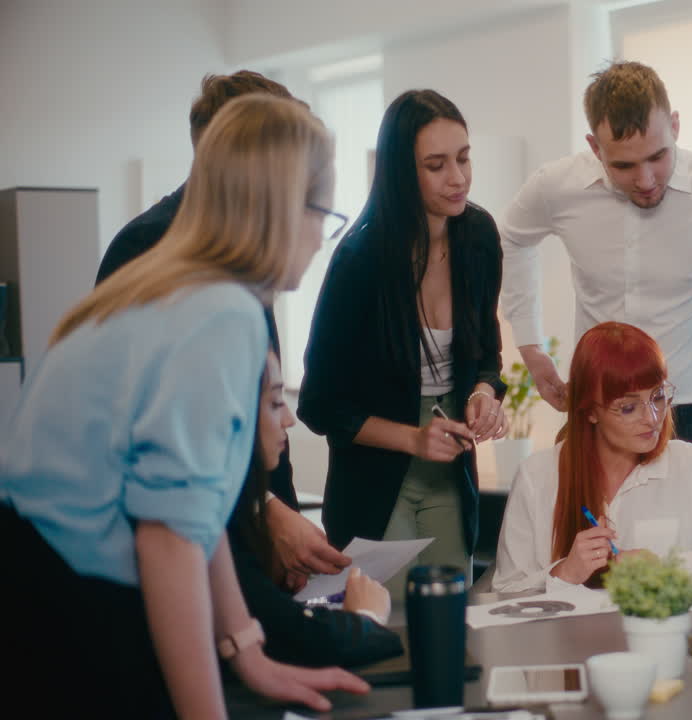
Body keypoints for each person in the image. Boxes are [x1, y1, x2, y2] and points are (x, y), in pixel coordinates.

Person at [1, 95, 368, 716]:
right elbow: (168, 542)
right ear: (285, 208)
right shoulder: (220, 316)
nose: (320, 240)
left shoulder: (164, 290)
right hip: (71, 605)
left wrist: (247, 653)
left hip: (36, 583)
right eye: (324, 215)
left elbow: (198, 519)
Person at [96, 70, 350, 591]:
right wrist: (265, 515)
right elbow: (164, 467)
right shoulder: (156, 250)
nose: (320, 230)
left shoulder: (239, 260)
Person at [500, 60, 692, 494]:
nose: (645, 180)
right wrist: (531, 346)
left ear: (675, 126)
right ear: (594, 146)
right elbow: (512, 238)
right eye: (623, 166)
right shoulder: (556, 187)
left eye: (658, 157)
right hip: (600, 415)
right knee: (591, 555)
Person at [298, 90, 507, 587]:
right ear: (399, 172)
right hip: (375, 475)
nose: (458, 178)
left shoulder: (478, 237)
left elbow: (486, 357)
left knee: (448, 617)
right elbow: (318, 404)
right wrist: (413, 438)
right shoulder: (360, 260)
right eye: (436, 165)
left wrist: (483, 395)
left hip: (450, 468)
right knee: (385, 625)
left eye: (463, 158)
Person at [491, 322, 692, 593]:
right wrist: (564, 573)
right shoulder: (536, 475)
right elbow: (505, 590)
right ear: (589, 412)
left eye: (659, 397)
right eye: (628, 407)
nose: (652, 419)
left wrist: (667, 567)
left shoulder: (691, 465)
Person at [234, 349, 403, 668]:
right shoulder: (218, 532)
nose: (289, 418)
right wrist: (366, 617)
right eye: (274, 403)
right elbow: (297, 638)